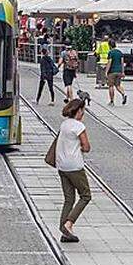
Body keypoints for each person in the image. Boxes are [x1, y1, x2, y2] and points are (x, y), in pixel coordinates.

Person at [54, 98, 91, 244]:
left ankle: (65, 232)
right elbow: (87, 147)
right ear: (80, 110)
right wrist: (81, 148)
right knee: (85, 195)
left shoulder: (64, 125)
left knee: (69, 198)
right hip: (74, 166)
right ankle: (68, 224)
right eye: (83, 110)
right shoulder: (78, 126)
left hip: (62, 165)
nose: (83, 113)